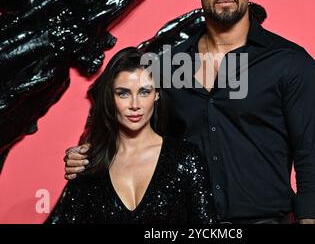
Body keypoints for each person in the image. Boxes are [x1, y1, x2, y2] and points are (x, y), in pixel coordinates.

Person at [64, 0, 315, 224]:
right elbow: (137, 132)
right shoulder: (167, 66)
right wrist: (87, 153)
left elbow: (311, 154)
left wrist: (309, 220)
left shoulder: (289, 63)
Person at [47, 47, 216, 224]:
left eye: (144, 92)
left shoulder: (185, 158)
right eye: (123, 93)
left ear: (157, 94)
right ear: (110, 98)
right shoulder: (88, 164)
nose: (135, 105)